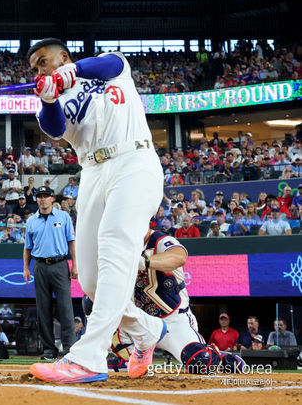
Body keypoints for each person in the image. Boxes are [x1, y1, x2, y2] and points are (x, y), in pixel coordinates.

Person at [27, 38, 167, 383]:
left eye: (43, 61)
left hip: (133, 160)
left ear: (63, 57)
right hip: (92, 172)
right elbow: (56, 129)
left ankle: (89, 357)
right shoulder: (52, 98)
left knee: (116, 240)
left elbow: (111, 64)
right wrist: (48, 98)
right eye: (34, 68)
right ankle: (147, 330)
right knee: (90, 279)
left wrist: (67, 74)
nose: (39, 70)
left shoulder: (112, 70)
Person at [112, 229, 244, 373]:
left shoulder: (160, 240)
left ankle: (218, 357)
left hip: (173, 321)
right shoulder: (119, 244)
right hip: (141, 321)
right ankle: (127, 359)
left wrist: (144, 262)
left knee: (200, 361)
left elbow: (179, 257)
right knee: (95, 304)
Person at [23, 186, 77, 361]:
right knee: (42, 309)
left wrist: (75, 265)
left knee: (66, 309)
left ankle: (69, 349)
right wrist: (25, 268)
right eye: (40, 196)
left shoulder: (63, 217)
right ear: (36, 200)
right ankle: (48, 349)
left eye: (46, 196)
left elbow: (71, 241)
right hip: (39, 266)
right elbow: (27, 248)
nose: (42, 199)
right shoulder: (31, 221)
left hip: (60, 264)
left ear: (53, 199)